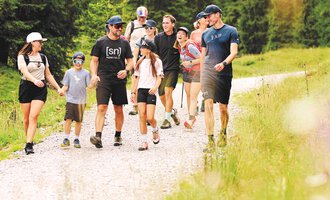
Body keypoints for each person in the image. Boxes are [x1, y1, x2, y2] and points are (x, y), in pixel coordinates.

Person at [89, 15, 133, 148]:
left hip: (119, 81)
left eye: (121, 26)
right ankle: (98, 136)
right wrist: (94, 75)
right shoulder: (100, 42)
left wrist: (126, 70)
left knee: (118, 108)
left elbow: (131, 61)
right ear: (109, 26)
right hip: (104, 79)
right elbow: (94, 61)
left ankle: (118, 135)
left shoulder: (124, 43)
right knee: (102, 107)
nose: (119, 28)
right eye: (117, 26)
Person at [17, 32, 64, 155]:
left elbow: (48, 74)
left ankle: (28, 144)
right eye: (40, 42)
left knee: (34, 116)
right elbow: (25, 72)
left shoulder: (43, 57)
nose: (41, 44)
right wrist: (34, 80)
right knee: (26, 118)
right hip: (26, 87)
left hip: (40, 89)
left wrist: (58, 88)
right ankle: (29, 139)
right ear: (33, 43)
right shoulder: (22, 57)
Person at [200, 5, 239, 150]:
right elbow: (203, 56)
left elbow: (233, 52)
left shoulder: (231, 31)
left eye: (209, 16)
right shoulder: (205, 34)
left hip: (224, 73)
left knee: (223, 108)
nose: (207, 19)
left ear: (217, 15)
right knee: (208, 104)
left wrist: (223, 63)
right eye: (206, 16)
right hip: (208, 73)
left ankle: (223, 133)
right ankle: (210, 140)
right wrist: (201, 76)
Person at [130, 39, 162, 151]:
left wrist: (155, 87)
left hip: (151, 91)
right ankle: (144, 141)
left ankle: (155, 129)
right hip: (141, 91)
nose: (140, 49)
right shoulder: (140, 61)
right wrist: (133, 92)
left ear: (148, 49)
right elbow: (136, 78)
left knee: (150, 117)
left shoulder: (157, 61)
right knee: (141, 116)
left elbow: (159, 77)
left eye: (142, 47)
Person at [60, 52, 93, 148]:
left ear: (83, 62)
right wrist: (62, 91)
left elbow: (89, 86)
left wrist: (94, 80)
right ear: (73, 62)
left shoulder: (86, 73)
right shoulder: (68, 73)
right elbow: (66, 85)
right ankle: (66, 138)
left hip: (81, 101)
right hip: (70, 100)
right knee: (68, 119)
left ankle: (76, 138)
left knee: (78, 121)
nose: (78, 63)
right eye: (76, 61)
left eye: (80, 61)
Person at [154, 14, 181, 129]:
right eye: (163, 23)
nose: (164, 25)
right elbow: (155, 54)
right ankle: (172, 112)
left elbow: (184, 50)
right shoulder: (158, 37)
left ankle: (166, 119)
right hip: (161, 70)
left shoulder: (178, 37)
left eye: (167, 23)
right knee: (161, 95)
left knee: (168, 91)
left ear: (173, 24)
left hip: (173, 69)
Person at [174, 27, 201, 129]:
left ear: (186, 37)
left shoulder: (190, 46)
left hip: (197, 71)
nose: (179, 35)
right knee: (188, 95)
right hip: (187, 72)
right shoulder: (181, 47)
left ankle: (190, 119)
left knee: (193, 96)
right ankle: (191, 116)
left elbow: (201, 57)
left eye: (182, 34)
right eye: (178, 33)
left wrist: (190, 63)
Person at [125, 6, 148, 116]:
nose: (141, 19)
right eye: (140, 17)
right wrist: (126, 57)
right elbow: (126, 39)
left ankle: (144, 104)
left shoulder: (150, 25)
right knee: (135, 79)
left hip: (146, 56)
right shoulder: (132, 25)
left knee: (145, 80)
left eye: (143, 17)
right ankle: (134, 105)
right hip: (133, 56)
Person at [190, 11, 209, 113]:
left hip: (208, 61)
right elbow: (190, 47)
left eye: (207, 17)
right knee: (197, 82)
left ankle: (205, 98)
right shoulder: (194, 33)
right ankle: (195, 103)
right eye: (204, 17)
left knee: (205, 82)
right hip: (197, 62)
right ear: (199, 20)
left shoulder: (211, 31)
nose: (207, 18)